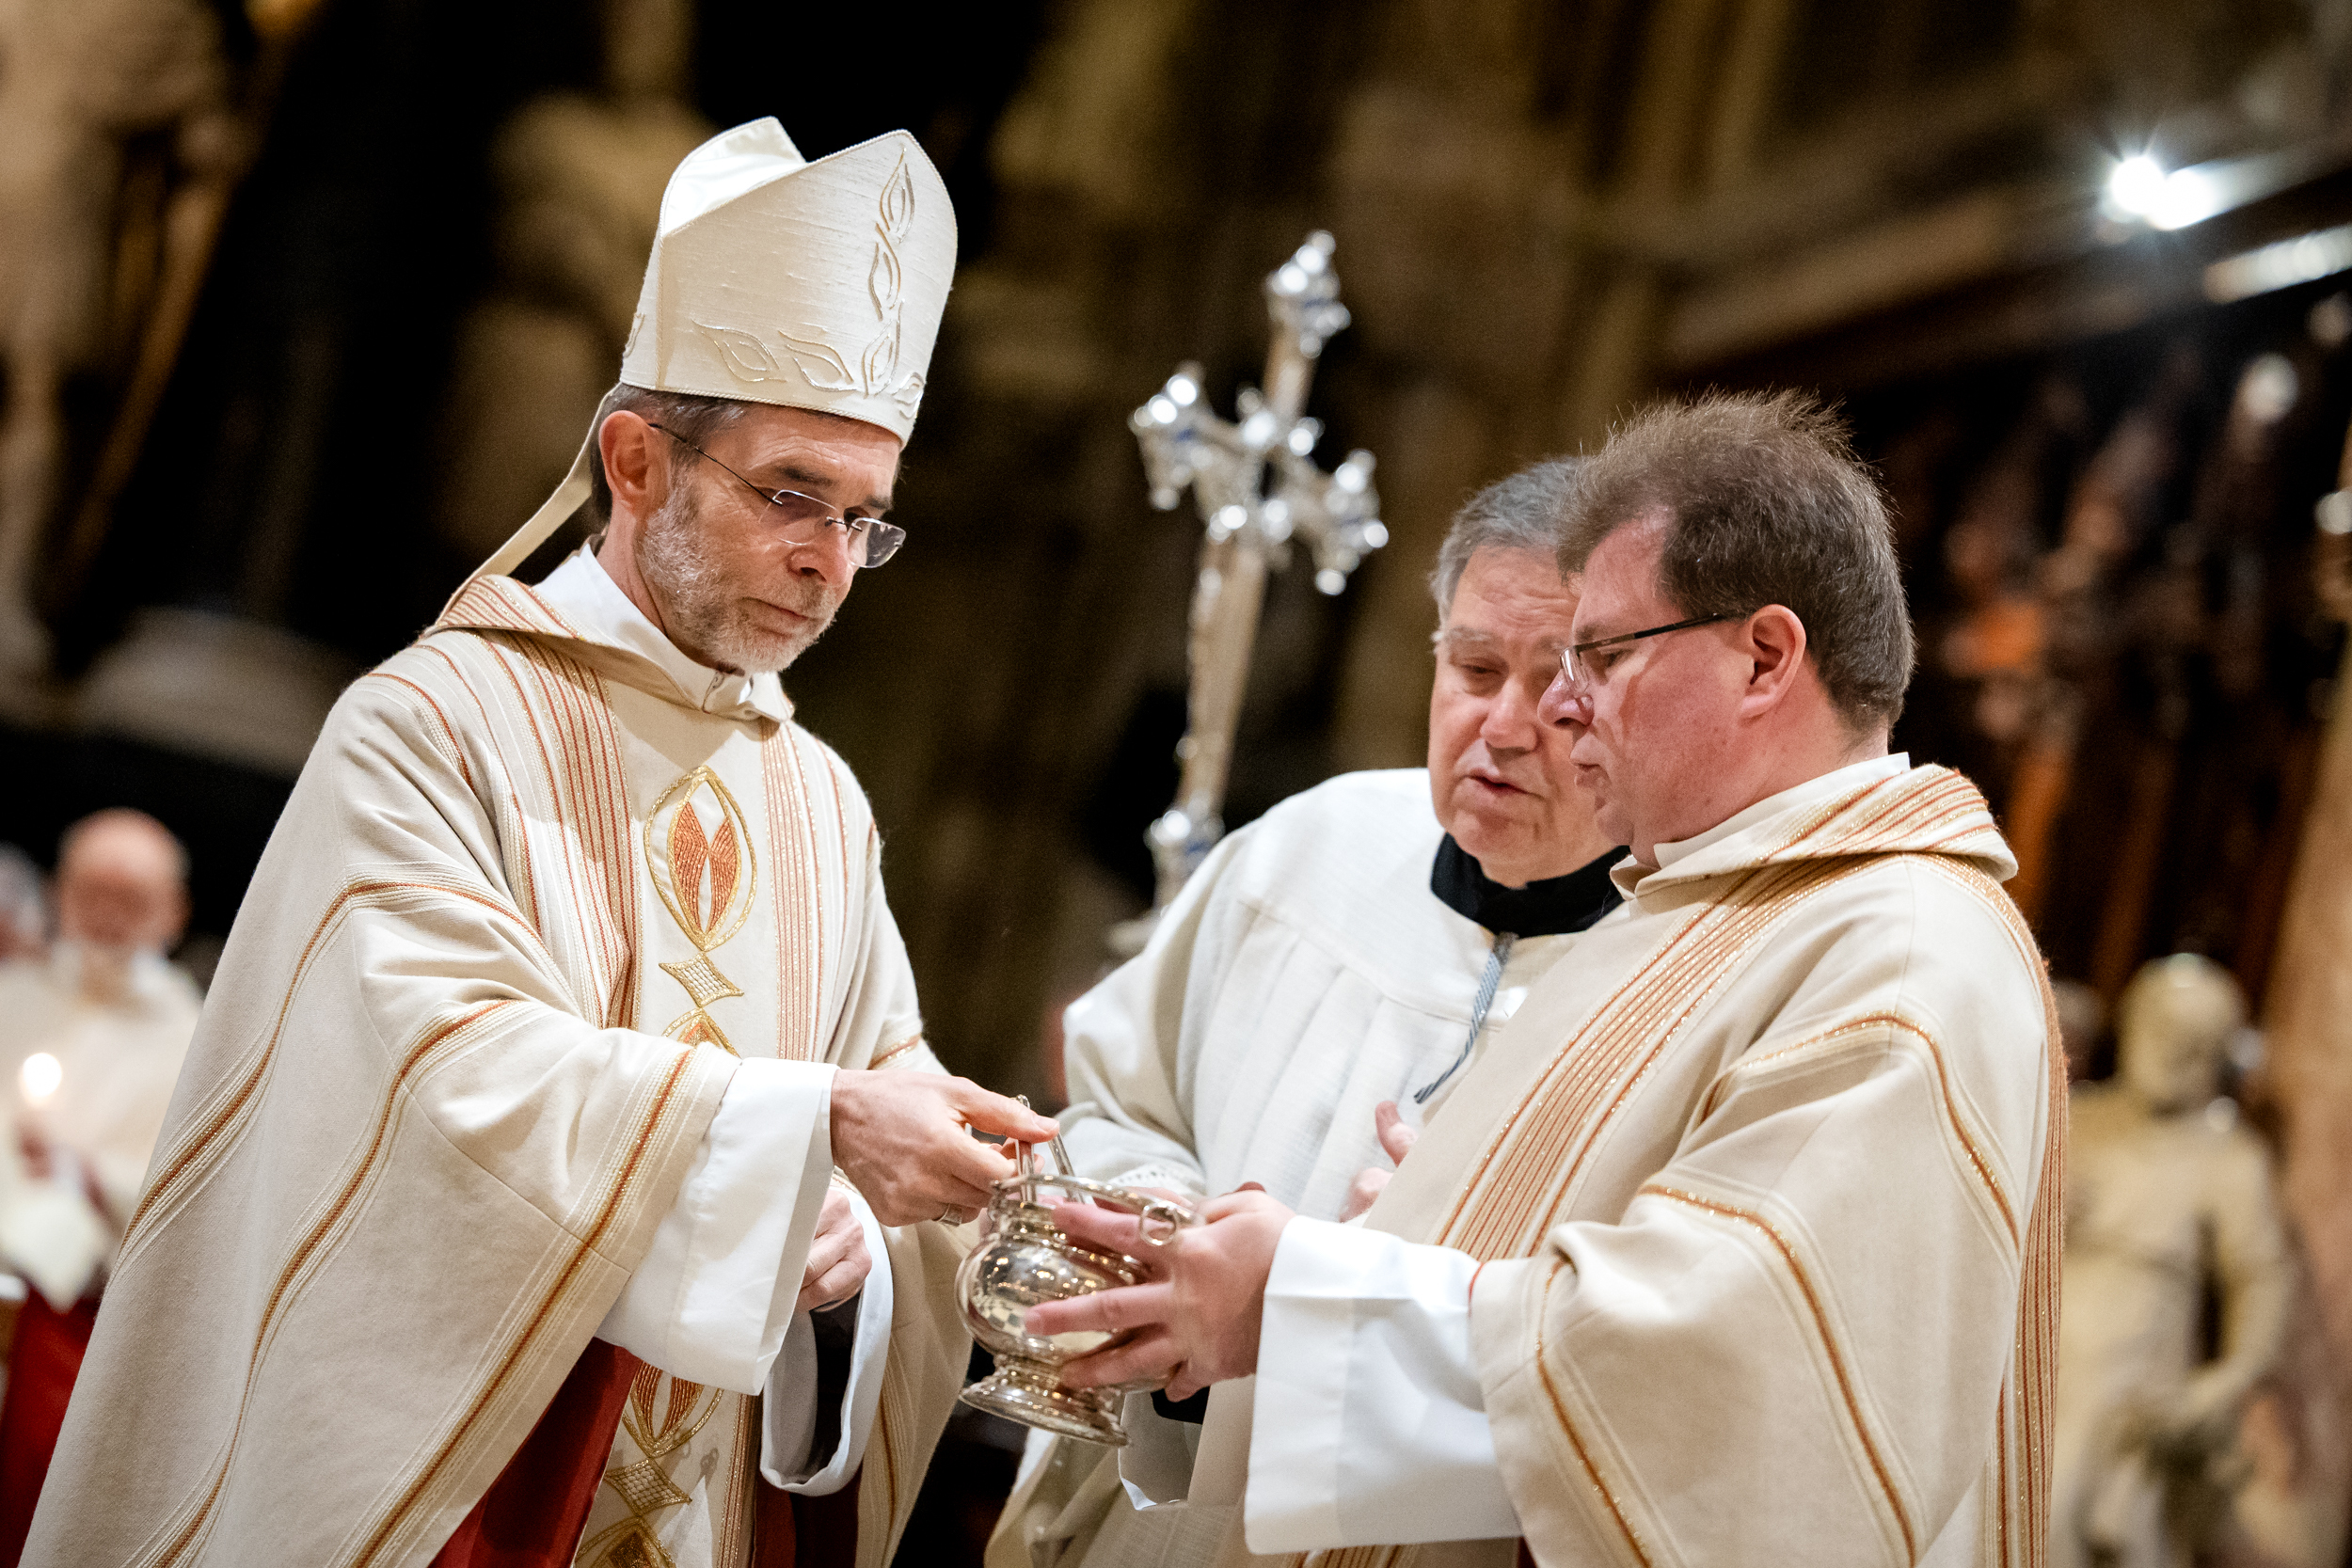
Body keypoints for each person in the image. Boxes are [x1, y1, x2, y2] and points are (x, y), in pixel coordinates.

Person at [27, 119, 1057, 1568]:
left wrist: (854, 1253)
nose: (829, 561)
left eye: (864, 519)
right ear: (635, 460)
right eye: (789, 493)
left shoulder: (824, 806)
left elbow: (882, 1127)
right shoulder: (431, 723)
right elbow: (442, 1088)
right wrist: (806, 1130)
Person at [1026, 390, 2064, 1566]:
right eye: (1479, 665)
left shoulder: (1902, 953)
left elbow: (1718, 1390)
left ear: (1765, 658)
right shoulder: (1723, 907)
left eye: (1601, 655)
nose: (1559, 709)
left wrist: (1303, 1292)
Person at [990, 462, 1622, 1568]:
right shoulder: (1306, 850)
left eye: (1559, 691)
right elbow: (1115, 1104)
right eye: (1474, 668)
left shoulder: (1672, 979)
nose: (1503, 725)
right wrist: (1161, 1221)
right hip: (1171, 1508)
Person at [0, 811, 199, 1562]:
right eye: (93, 891)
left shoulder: (195, 1036)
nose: (109, 913)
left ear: (174, 912)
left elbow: (181, 1191)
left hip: (74, 1314)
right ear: (59, 891)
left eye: (132, 897)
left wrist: (89, 1175)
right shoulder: (12, 996)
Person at [2054, 954, 2289, 1568]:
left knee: (2062, 1516)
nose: (2172, 1050)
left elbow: (2261, 1276)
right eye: (2160, 1028)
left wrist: (2228, 1379)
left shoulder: (2230, 1157)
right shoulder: (2079, 1116)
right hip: (2043, 1335)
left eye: (2194, 1040)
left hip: (2133, 1367)